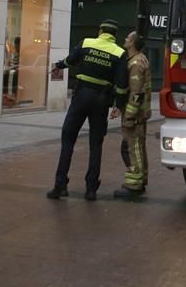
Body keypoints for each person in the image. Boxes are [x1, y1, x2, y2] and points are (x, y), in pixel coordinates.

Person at [47, 19, 129, 201]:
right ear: (115, 36)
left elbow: (70, 60)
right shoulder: (119, 53)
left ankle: (60, 185)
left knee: (68, 140)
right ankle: (91, 189)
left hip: (81, 96)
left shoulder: (86, 43)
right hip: (101, 100)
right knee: (95, 144)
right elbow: (122, 84)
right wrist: (119, 105)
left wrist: (59, 65)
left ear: (100, 31)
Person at [112, 31, 152, 199]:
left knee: (133, 148)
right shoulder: (142, 59)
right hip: (140, 113)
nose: (125, 39)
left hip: (134, 114)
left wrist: (128, 115)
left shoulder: (135, 63)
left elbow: (136, 93)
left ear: (133, 43)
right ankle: (140, 179)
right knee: (139, 147)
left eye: (128, 38)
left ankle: (133, 184)